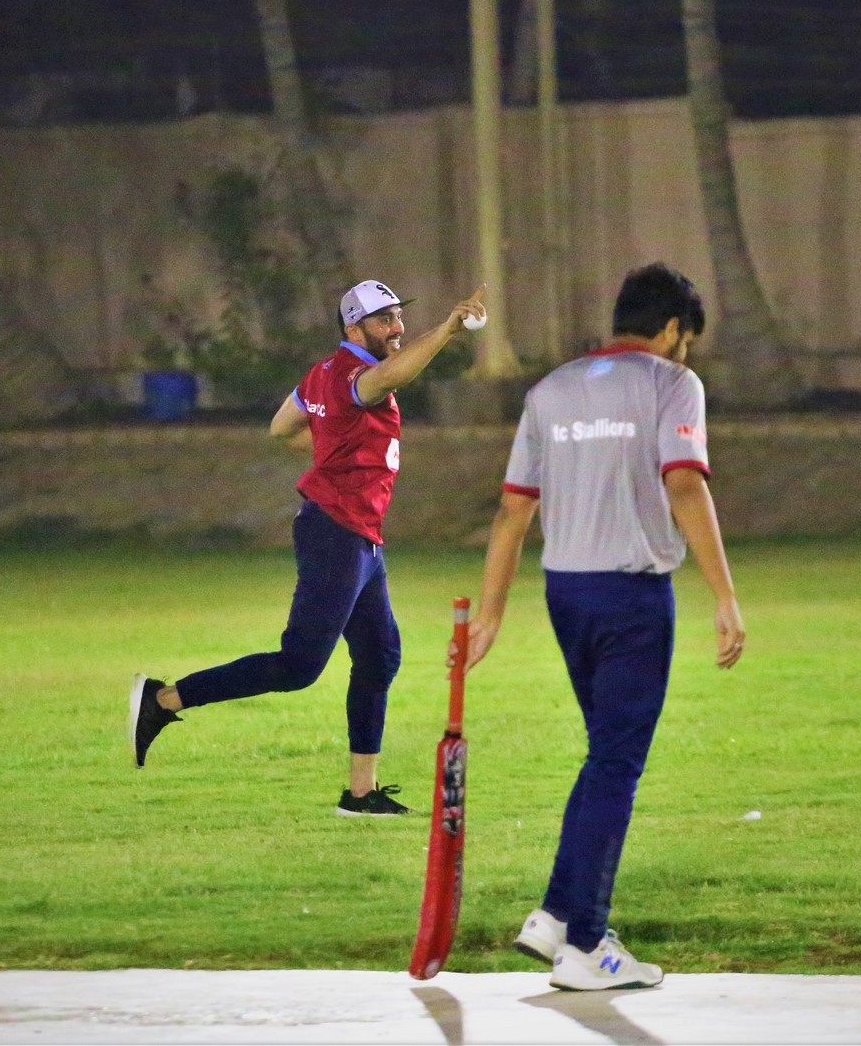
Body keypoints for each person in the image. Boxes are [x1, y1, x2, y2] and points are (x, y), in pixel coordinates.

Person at [464, 262, 745, 990]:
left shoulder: (550, 391)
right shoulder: (673, 383)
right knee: (617, 764)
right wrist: (724, 594)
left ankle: (557, 914)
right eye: (687, 338)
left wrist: (490, 613)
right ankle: (587, 946)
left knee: (604, 756)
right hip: (632, 596)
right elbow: (684, 484)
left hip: (566, 592)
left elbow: (513, 510)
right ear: (673, 328)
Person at [130, 279, 488, 817]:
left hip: (358, 536)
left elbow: (282, 427)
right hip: (335, 533)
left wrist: (333, 448)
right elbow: (392, 375)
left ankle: (360, 794)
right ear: (354, 330)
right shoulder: (354, 375)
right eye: (385, 319)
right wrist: (447, 330)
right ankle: (161, 700)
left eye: (398, 317)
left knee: (380, 656)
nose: (397, 327)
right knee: (299, 665)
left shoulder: (324, 372)